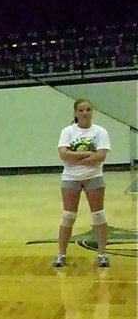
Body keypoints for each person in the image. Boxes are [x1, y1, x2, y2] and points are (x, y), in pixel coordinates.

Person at [54, 98, 111, 267]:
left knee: (98, 215)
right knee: (68, 216)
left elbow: (100, 156)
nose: (85, 113)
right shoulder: (67, 132)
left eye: (88, 110)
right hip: (70, 178)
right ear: (75, 113)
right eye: (81, 110)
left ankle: (102, 254)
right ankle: (61, 254)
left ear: (92, 112)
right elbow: (63, 154)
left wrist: (75, 157)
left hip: (94, 177)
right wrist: (87, 156)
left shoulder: (100, 132)